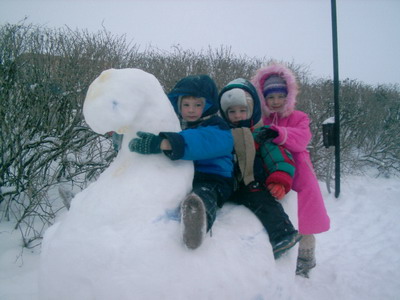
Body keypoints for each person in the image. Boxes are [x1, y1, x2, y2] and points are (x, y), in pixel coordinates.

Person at [128, 74, 234, 250]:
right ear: (178, 104)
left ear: (207, 105)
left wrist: (165, 142)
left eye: (197, 105)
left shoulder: (217, 126)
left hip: (214, 177)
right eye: (186, 105)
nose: (191, 110)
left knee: (204, 194)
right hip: (186, 175)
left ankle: (198, 224)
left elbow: (203, 141)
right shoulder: (176, 124)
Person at [251, 63, 330, 277]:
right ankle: (284, 257)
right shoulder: (261, 120)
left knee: (306, 223)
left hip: (301, 176)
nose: (276, 102)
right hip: (274, 173)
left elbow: (302, 139)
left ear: (288, 96)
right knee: (285, 216)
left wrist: (276, 131)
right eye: (271, 97)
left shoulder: (299, 117)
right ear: (263, 99)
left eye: (280, 96)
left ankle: (305, 259)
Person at [218, 78, 301, 259]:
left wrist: (280, 180)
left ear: (252, 111)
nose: (238, 115)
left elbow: (278, 157)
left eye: (243, 110)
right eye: (232, 112)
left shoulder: (260, 134)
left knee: (262, 200)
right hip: (226, 183)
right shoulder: (222, 134)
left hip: (251, 182)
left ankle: (283, 234)